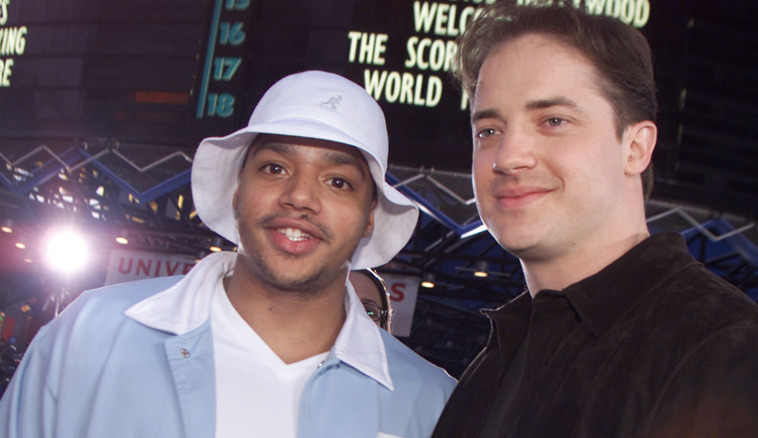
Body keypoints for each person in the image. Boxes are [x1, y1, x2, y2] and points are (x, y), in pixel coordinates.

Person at [0, 70, 455, 438]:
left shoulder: (429, 404)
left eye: (338, 181)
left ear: (369, 216)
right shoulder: (90, 337)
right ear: (238, 191)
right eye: (275, 168)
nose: (299, 197)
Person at [432, 2, 758, 438]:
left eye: (554, 121)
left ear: (635, 148)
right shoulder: (496, 363)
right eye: (488, 130)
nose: (507, 157)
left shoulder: (725, 350)